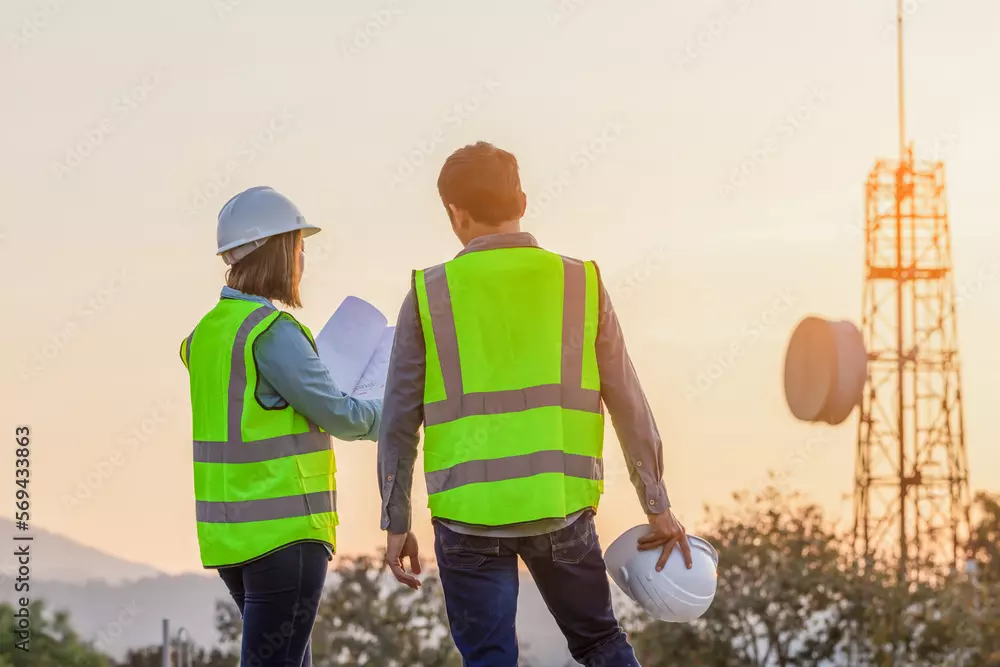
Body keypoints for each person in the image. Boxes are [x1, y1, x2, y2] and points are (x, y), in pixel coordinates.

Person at [377, 142, 692, 667]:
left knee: (490, 658)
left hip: (465, 518)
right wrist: (656, 506)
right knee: (599, 642)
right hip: (560, 509)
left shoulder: (430, 293)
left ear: (453, 214)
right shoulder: (580, 282)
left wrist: (395, 520)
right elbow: (629, 404)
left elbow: (398, 421)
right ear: (522, 198)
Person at [179, 185, 381, 667]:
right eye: (299, 247)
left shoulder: (203, 336)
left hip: (230, 540)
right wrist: (392, 410)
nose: (302, 261)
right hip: (284, 538)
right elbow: (340, 415)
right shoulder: (271, 331)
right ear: (277, 251)